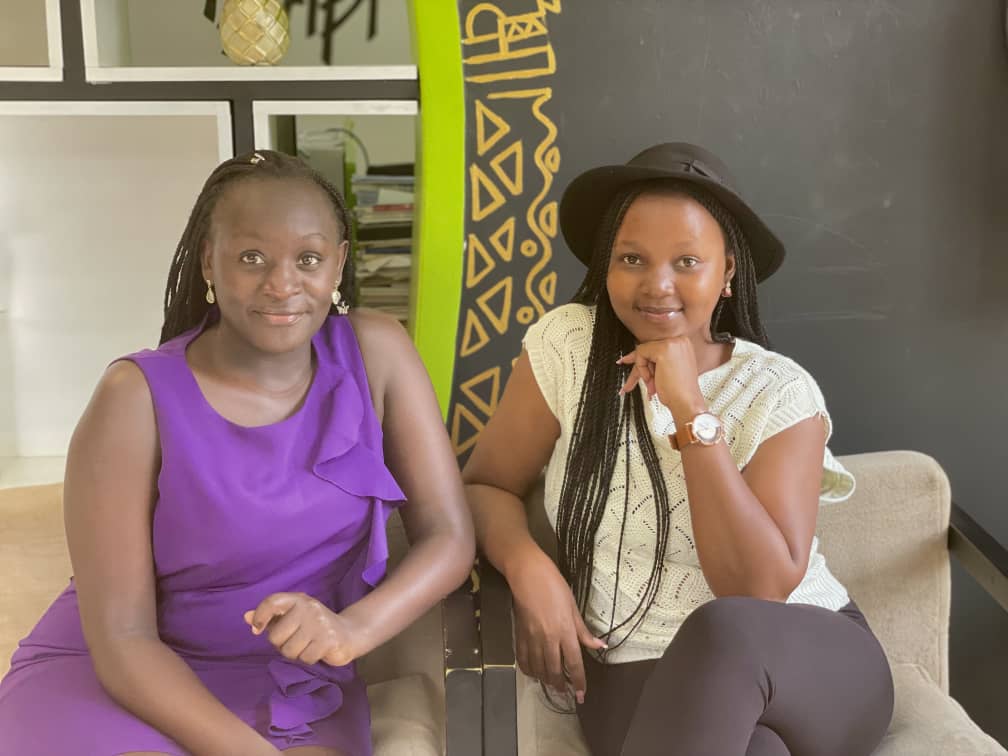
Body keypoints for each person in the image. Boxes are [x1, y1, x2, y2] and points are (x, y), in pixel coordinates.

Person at [0, 149, 474, 756]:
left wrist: (351, 630)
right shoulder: (135, 396)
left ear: (339, 265)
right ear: (208, 261)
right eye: (252, 257)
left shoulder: (378, 352)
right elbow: (122, 638)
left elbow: (450, 537)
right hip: (122, 678)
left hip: (287, 678)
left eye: (308, 259)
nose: (282, 284)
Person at [462, 143, 894, 756]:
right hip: (636, 669)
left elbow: (758, 589)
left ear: (728, 273)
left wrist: (692, 412)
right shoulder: (568, 347)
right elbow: (485, 486)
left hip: (805, 660)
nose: (656, 285)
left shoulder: (776, 390)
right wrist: (532, 571)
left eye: (687, 261)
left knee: (720, 628)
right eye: (631, 258)